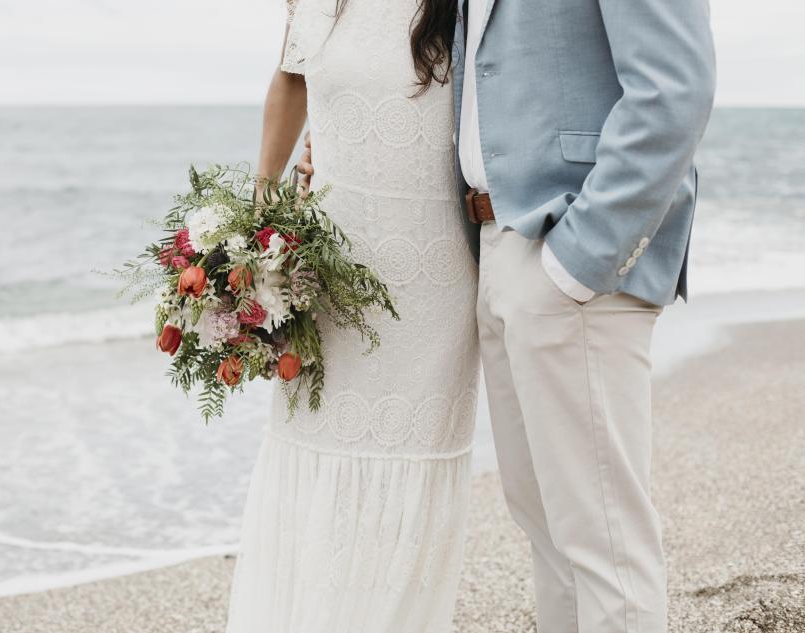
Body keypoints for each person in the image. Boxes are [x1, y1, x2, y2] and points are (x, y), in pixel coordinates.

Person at [296, 0, 717, 631]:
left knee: (604, 538)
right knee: (546, 525)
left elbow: (676, 90)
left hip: (567, 246)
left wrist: (579, 262)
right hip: (495, 241)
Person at [225, 1, 480, 632]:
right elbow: (290, 80)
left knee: (410, 468)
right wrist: (262, 217)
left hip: (435, 277)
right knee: (315, 456)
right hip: (332, 266)